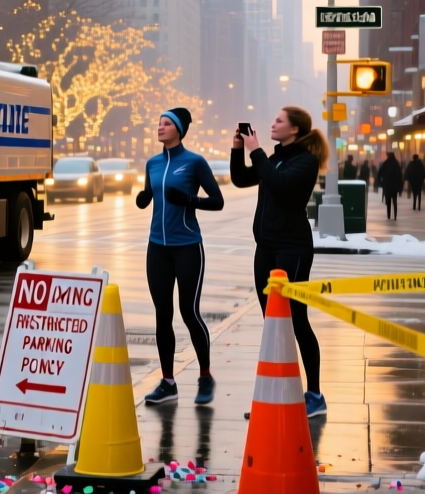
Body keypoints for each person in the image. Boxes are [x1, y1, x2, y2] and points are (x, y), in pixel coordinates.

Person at [232, 106, 331, 418]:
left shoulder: (305, 160)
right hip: (265, 248)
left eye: (279, 121)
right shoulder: (274, 158)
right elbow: (241, 178)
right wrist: (238, 149)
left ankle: (314, 395)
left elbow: (280, 183)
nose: (272, 124)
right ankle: (277, 395)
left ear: (295, 129)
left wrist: (256, 150)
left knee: (296, 320)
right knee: (273, 324)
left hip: (292, 249)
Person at [136, 107, 225, 407]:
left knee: (189, 312)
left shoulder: (194, 162)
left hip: (187, 246)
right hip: (157, 248)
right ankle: (168, 383)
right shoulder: (152, 163)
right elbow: (150, 194)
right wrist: (144, 197)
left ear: (179, 130)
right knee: (163, 314)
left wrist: (189, 199)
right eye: (159, 123)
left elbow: (217, 201)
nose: (160, 127)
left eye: (166, 123)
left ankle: (205, 376)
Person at [377, 151, 404, 220]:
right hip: (395, 185)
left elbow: (379, 173)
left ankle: (388, 215)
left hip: (387, 185)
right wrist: (400, 186)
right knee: (395, 200)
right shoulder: (396, 164)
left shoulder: (385, 163)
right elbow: (400, 176)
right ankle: (395, 215)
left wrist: (380, 182)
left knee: (388, 200)